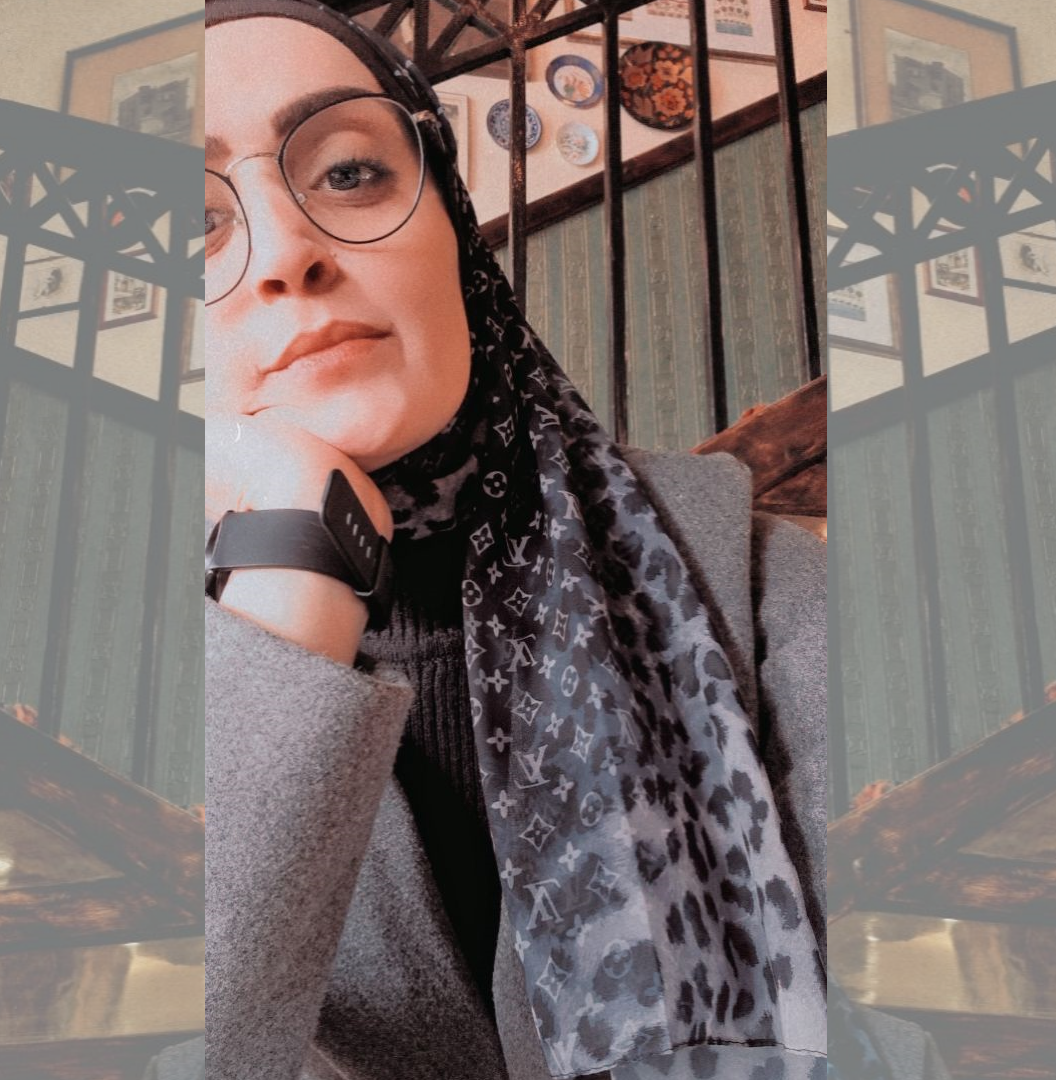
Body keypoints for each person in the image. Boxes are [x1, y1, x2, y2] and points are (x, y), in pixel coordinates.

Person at [167, 2, 835, 1077]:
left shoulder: (777, 599)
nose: (287, 250)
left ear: (453, 224)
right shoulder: (99, 721)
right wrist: (294, 557)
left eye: (348, 172)